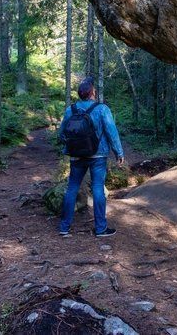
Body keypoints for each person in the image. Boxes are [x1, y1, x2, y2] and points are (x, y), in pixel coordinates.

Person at [58, 76, 124, 237]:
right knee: (98, 189)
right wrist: (119, 153)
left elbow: (62, 134)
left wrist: (72, 146)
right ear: (92, 93)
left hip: (76, 155)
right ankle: (101, 228)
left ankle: (64, 227)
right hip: (98, 154)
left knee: (72, 188)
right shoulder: (102, 109)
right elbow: (111, 132)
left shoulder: (70, 110)